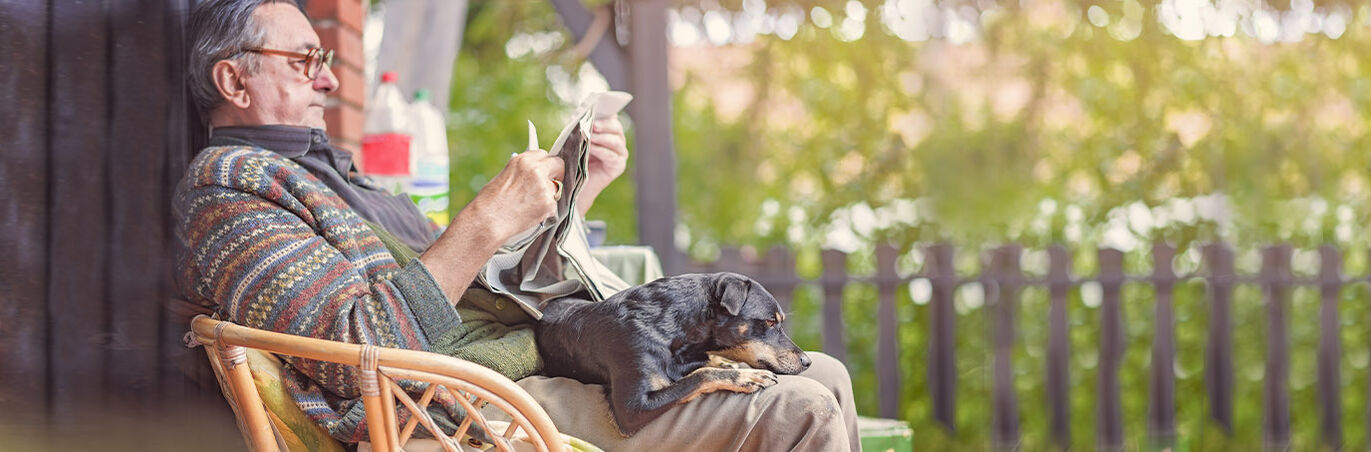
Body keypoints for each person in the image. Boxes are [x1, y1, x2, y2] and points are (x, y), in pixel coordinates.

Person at [176, 1, 860, 450]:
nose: (327, 81)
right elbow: (364, 353)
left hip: (526, 356)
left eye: (324, 60)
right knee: (804, 411)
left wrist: (576, 192)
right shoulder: (230, 192)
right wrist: (479, 221)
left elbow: (482, 286)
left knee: (824, 373)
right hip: (459, 405)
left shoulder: (340, 174)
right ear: (235, 82)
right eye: (306, 62)